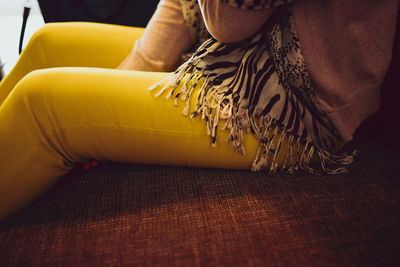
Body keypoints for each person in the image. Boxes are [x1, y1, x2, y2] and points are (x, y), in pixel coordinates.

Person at [0, 0, 398, 221]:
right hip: (232, 62)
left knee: (44, 103)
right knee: (48, 42)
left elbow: (229, 23)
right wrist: (134, 75)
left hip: (290, 104)